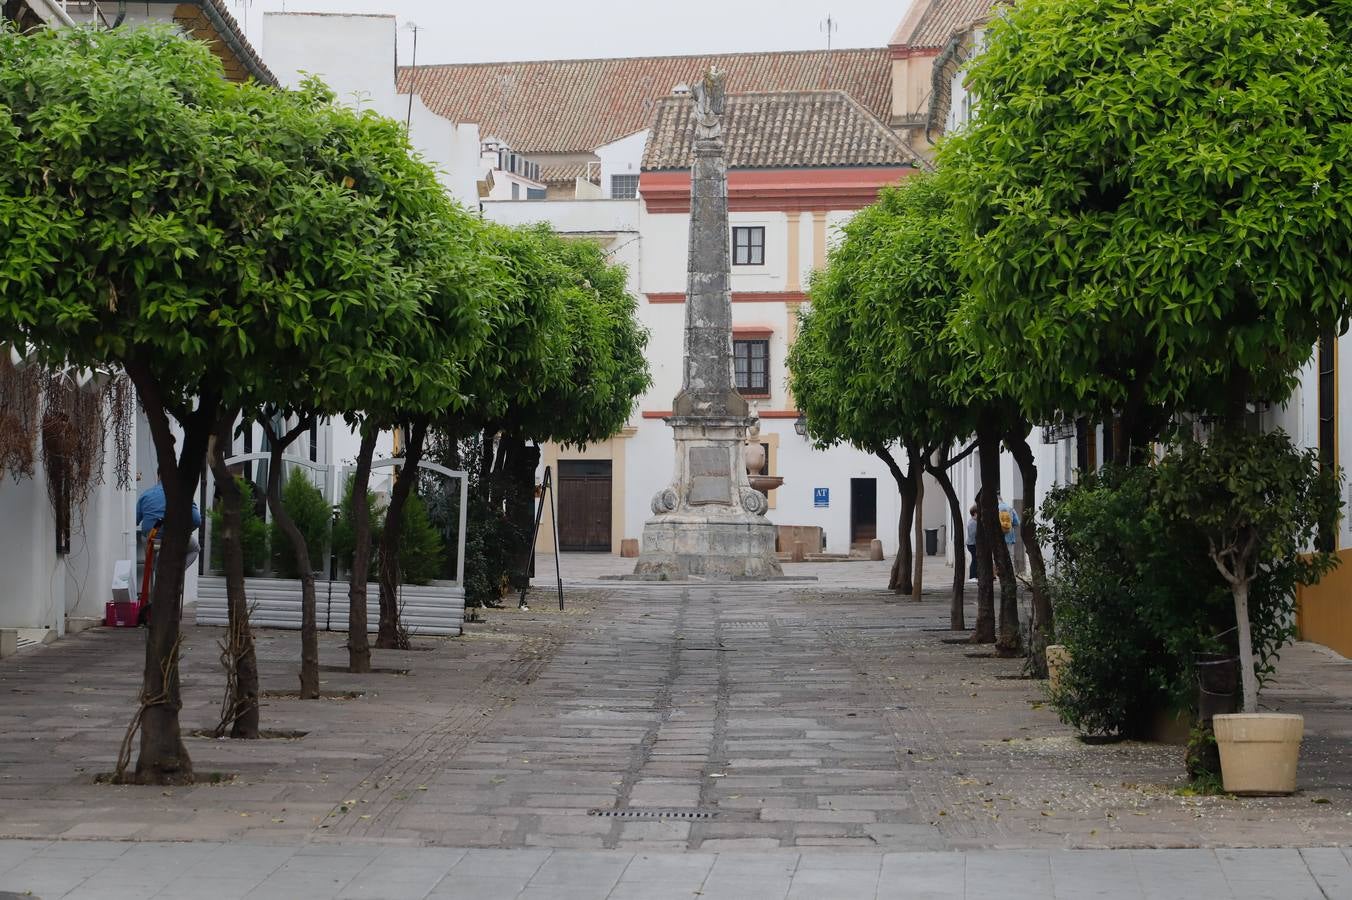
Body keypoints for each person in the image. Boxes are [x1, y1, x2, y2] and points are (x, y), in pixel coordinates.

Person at [136, 480, 203, 570]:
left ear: (158, 476)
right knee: (195, 549)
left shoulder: (146, 494)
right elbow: (197, 520)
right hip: (176, 538)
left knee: (146, 539)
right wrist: (186, 532)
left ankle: (154, 570)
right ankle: (176, 572)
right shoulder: (183, 493)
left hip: (152, 538)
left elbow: (135, 520)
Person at [966, 504, 979, 580]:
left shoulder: (974, 521)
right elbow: (973, 535)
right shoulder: (973, 523)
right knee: (975, 560)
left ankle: (975, 576)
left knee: (975, 560)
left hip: (972, 544)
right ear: (975, 513)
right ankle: (972, 576)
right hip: (972, 544)